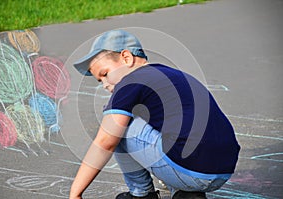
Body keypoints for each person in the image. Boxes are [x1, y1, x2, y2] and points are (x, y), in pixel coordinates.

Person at [70, 29, 240, 199]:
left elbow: (105, 143)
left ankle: (141, 194)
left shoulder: (129, 82)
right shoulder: (173, 74)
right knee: (167, 127)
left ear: (126, 58)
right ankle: (184, 194)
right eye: (100, 81)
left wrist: (75, 193)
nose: (105, 84)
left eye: (105, 74)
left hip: (189, 170)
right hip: (223, 169)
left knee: (116, 126)